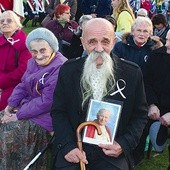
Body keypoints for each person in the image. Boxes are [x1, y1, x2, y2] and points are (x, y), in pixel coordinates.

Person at [51, 18, 148, 170]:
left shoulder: (132, 73)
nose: (99, 48)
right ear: (82, 42)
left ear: (114, 41)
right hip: (75, 144)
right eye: (92, 42)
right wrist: (68, 145)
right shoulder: (68, 70)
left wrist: (123, 144)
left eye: (105, 41)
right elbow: (58, 111)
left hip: (111, 149)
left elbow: (140, 115)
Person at [0, 27, 67, 169]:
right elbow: (23, 85)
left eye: (43, 50)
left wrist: (17, 115)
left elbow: (47, 101)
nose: (38, 55)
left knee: (6, 136)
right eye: (34, 51)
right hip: (29, 109)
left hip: (46, 116)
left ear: (53, 48)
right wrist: (10, 106)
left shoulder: (60, 67)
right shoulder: (32, 62)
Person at [0, 10, 31, 111]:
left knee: (5, 103)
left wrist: (1, 82)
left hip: (16, 84)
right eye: (2, 21)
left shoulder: (24, 43)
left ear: (17, 25)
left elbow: (22, 71)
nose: (4, 23)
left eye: (9, 21)